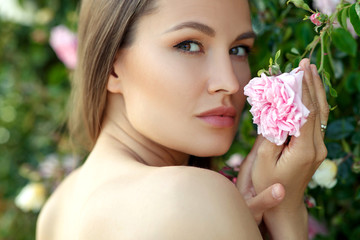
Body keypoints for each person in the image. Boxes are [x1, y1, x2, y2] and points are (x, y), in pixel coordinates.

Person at [36, 0, 329, 239]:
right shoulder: (191, 195)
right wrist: (286, 211)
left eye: (238, 50)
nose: (229, 82)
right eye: (188, 45)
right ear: (112, 68)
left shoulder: (56, 210)